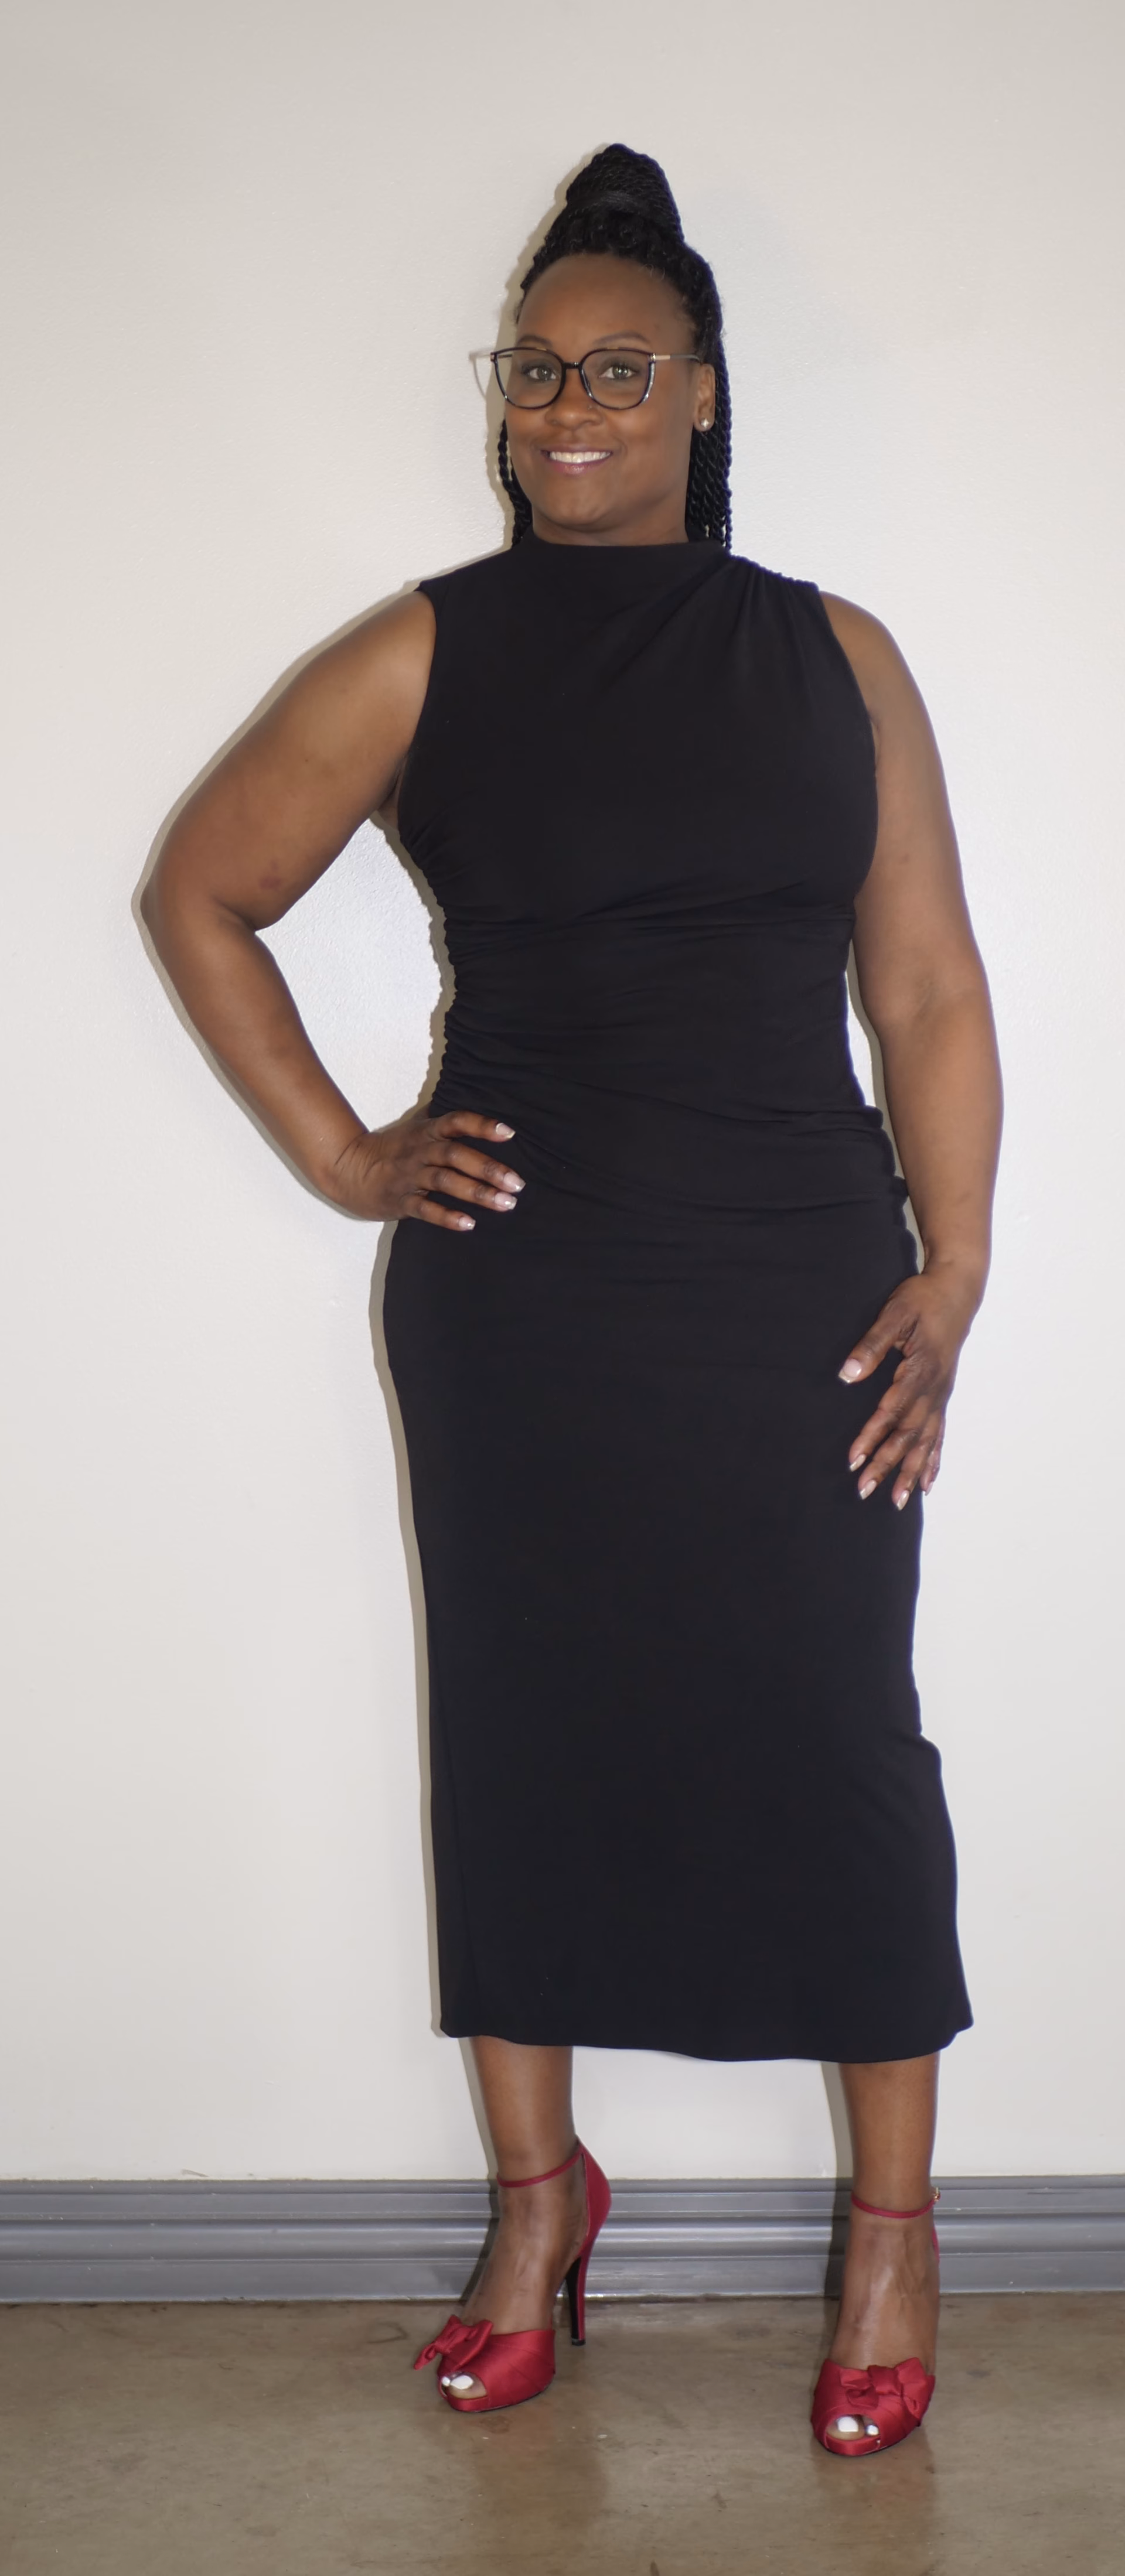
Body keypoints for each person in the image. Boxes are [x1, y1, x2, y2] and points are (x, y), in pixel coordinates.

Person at [142, 145, 1001, 2453]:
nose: (568, 406)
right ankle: (541, 2209)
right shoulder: (426, 649)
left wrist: (955, 1265)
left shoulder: (834, 655)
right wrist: (349, 1152)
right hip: (520, 1302)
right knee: (522, 1734)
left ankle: (895, 2235)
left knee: (837, 1732)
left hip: (798, 1290)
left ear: (706, 392)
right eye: (534, 372)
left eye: (619, 369)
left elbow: (925, 988)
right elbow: (203, 891)